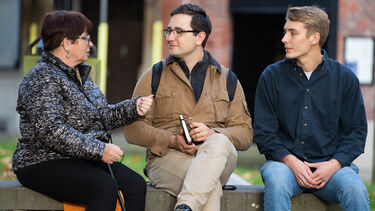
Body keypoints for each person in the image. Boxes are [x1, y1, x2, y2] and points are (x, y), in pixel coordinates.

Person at [12, 10, 153, 211]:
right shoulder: (42, 77)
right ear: (67, 43)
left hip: (81, 157)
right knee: (104, 187)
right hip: (41, 160)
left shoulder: (81, 74)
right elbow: (52, 131)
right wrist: (100, 150)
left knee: (136, 185)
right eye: (85, 38)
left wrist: (134, 107)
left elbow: (102, 117)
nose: (91, 43)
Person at [124, 3, 253, 211]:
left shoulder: (228, 80)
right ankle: (186, 206)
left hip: (218, 159)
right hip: (167, 160)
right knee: (208, 187)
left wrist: (213, 133)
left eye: (179, 32)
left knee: (219, 141)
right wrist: (172, 140)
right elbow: (132, 130)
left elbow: (246, 134)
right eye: (169, 30)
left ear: (200, 37)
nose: (169, 37)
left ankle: (186, 204)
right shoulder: (153, 75)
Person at [254, 5, 369, 211]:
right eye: (285, 32)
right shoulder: (271, 76)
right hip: (285, 167)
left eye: (292, 33)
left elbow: (356, 133)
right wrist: (291, 162)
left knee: (355, 188)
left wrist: (333, 164)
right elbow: (263, 132)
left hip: (331, 169)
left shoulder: (344, 78)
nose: (284, 39)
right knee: (277, 180)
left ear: (314, 38)